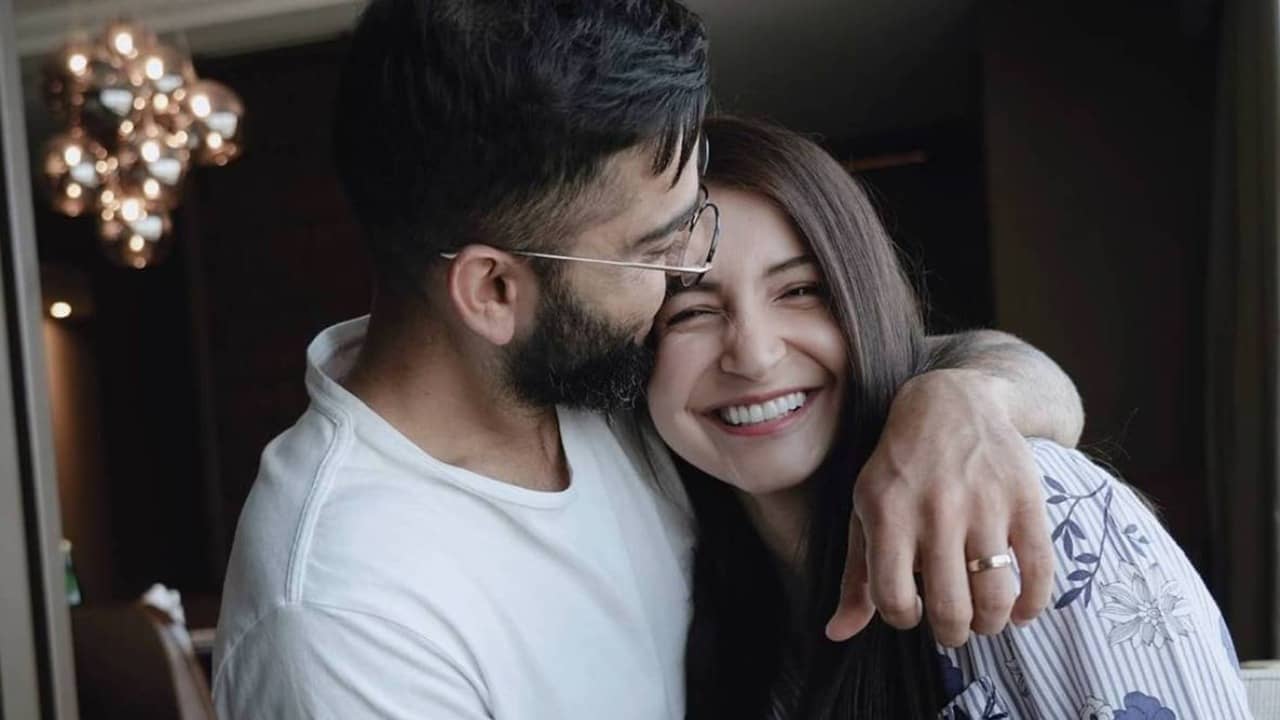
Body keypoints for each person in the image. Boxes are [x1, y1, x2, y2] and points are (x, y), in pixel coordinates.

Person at [211, 2, 1085, 717]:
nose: (690, 271)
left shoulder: (588, 372)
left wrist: (962, 402)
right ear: (494, 291)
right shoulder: (341, 619)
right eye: (657, 248)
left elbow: (980, 380)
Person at [644, 115, 1252, 719]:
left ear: (863, 300)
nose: (754, 355)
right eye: (690, 311)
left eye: (801, 291)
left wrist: (962, 393)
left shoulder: (1021, 503)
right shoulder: (688, 591)